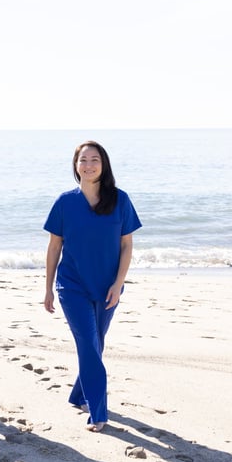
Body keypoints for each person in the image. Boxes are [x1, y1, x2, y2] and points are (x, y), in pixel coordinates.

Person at [43, 140, 141, 432]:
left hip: (108, 286)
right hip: (72, 286)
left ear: (104, 164)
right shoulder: (65, 202)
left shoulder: (120, 200)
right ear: (75, 166)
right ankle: (98, 412)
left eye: (94, 159)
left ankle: (78, 395)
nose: (88, 165)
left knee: (95, 345)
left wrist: (119, 282)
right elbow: (53, 248)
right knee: (88, 344)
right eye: (82, 160)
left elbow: (127, 245)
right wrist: (48, 288)